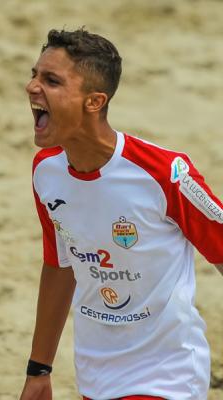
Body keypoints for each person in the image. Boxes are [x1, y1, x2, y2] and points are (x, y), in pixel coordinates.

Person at [19, 28, 223, 400]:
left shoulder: (165, 173)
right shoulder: (45, 172)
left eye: (51, 80)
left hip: (169, 375)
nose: (32, 86)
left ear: (94, 101)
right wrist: (39, 369)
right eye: (34, 75)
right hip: (96, 375)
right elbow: (60, 266)